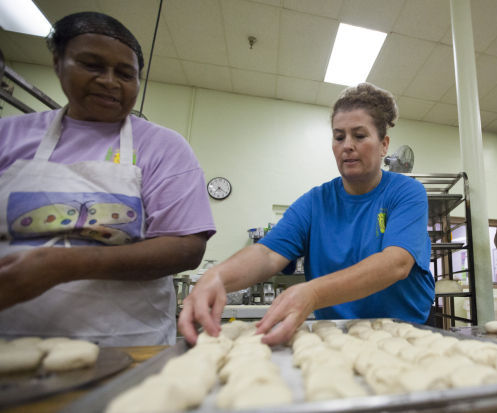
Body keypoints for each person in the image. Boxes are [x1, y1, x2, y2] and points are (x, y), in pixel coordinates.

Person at [0, 12, 216, 346]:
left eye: (125, 73)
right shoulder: (9, 136)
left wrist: (64, 265)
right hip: (9, 339)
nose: (109, 81)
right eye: (92, 65)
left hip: (126, 344)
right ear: (58, 63)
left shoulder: (162, 147)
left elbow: (186, 247)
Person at [179, 83, 434, 346]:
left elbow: (396, 263)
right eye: (338, 137)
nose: (347, 146)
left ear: (384, 145)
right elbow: (266, 255)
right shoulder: (314, 203)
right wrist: (217, 277)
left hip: (403, 333)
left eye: (359, 136)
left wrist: (313, 292)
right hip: (336, 335)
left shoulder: (405, 192)